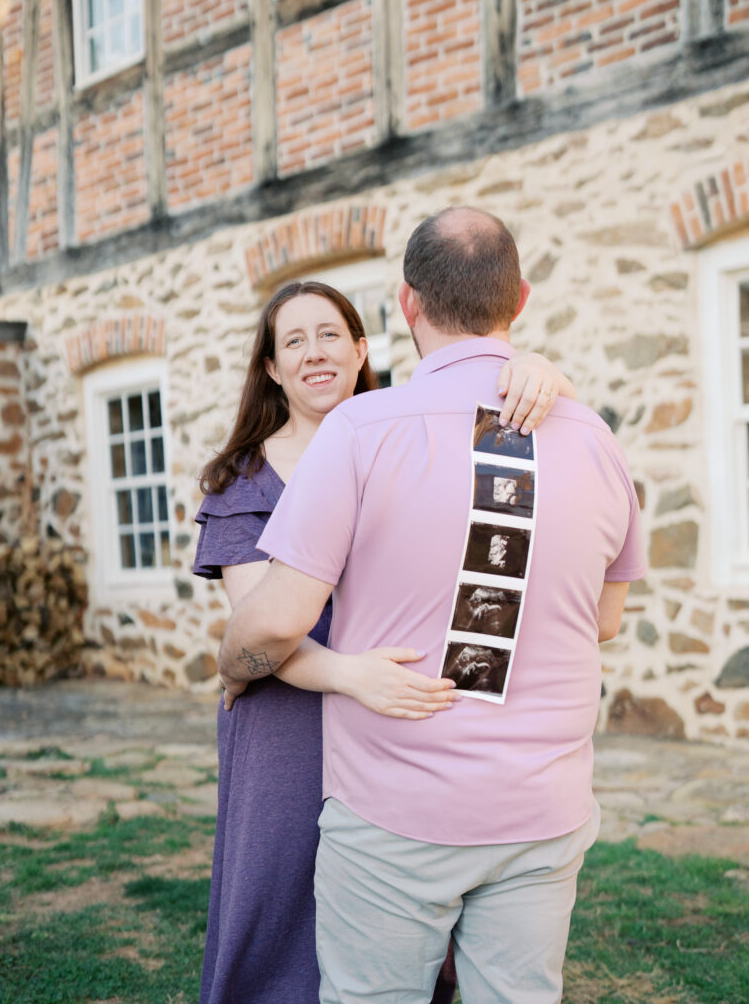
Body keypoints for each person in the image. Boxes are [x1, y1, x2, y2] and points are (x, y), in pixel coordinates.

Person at [216, 207, 647, 1004]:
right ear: (517, 299)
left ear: (407, 304)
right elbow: (605, 621)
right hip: (542, 808)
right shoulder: (593, 439)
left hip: (395, 811)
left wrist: (232, 660)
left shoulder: (361, 430)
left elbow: (272, 622)